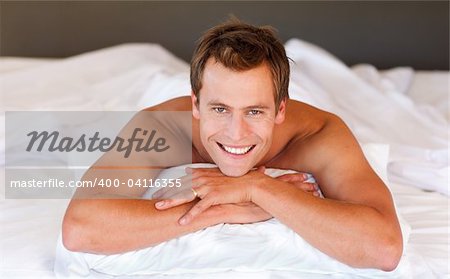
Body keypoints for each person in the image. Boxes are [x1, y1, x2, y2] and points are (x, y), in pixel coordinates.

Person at [62, 18, 402, 271]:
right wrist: (226, 210)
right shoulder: (161, 125)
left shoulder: (319, 134)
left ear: (280, 109)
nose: (236, 133)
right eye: (220, 109)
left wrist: (258, 188)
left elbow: (384, 248)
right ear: (196, 105)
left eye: (254, 111)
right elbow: (81, 228)